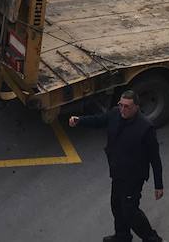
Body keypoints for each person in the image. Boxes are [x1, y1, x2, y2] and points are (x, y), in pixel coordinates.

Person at [69, 91, 164, 242]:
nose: (123, 110)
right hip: (117, 172)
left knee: (130, 211)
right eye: (121, 105)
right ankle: (122, 236)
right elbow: (98, 120)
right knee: (116, 205)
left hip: (133, 177)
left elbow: (155, 158)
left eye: (127, 107)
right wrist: (79, 120)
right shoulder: (115, 113)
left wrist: (158, 185)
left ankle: (152, 239)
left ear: (136, 107)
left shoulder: (146, 128)